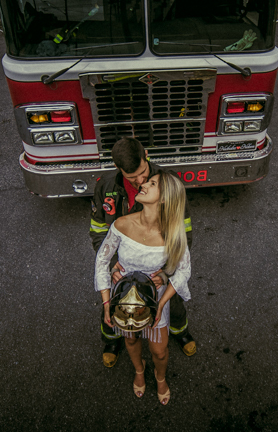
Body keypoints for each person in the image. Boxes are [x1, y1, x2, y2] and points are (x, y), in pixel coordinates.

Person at [89, 137, 196, 367]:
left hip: (159, 271)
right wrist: (112, 267)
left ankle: (180, 331)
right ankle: (111, 340)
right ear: (118, 169)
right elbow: (98, 229)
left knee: (171, 305)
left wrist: (167, 273)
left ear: (146, 155)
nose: (140, 182)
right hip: (123, 270)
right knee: (116, 306)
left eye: (143, 173)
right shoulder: (105, 187)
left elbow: (183, 233)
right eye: (131, 178)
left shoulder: (167, 182)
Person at [95, 171, 191, 405]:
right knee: (130, 340)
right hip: (124, 299)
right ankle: (139, 370)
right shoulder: (122, 223)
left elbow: (184, 270)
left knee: (159, 350)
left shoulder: (173, 233)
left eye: (152, 183)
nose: (143, 184)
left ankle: (160, 376)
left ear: (166, 198)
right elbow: (101, 260)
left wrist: (162, 299)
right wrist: (108, 303)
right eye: (147, 181)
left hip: (154, 299)